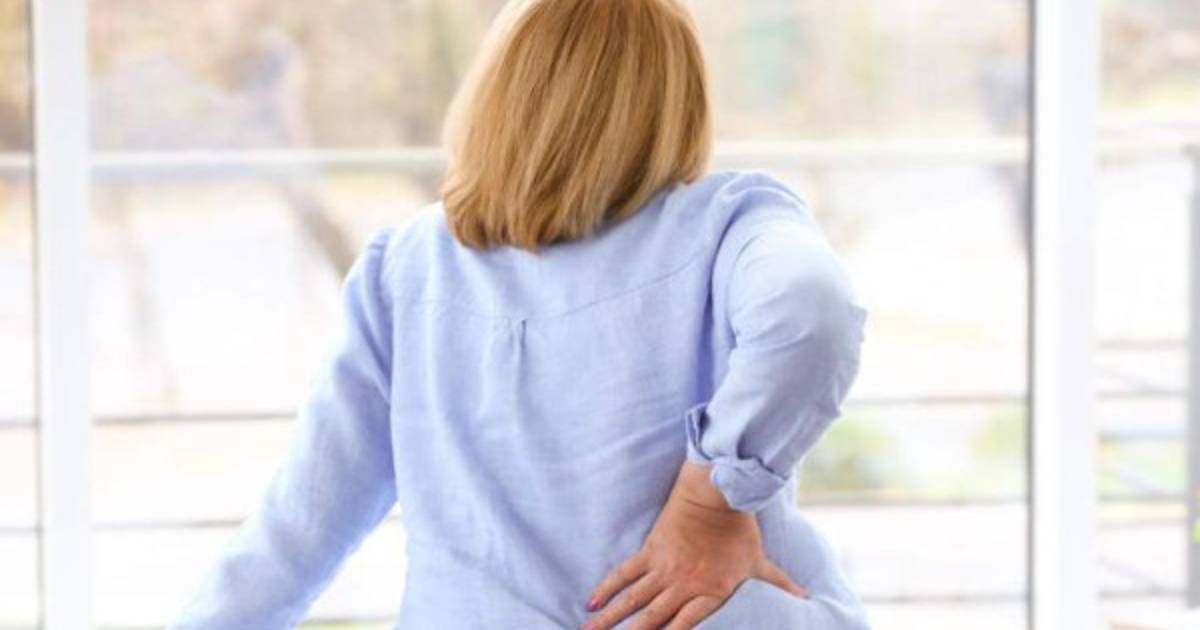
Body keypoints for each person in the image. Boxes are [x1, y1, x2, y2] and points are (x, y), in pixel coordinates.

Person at [171, 0, 869, 628]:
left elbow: (300, 527)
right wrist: (709, 502)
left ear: (500, 92)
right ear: (675, 104)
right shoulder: (731, 229)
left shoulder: (406, 268)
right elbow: (812, 311)